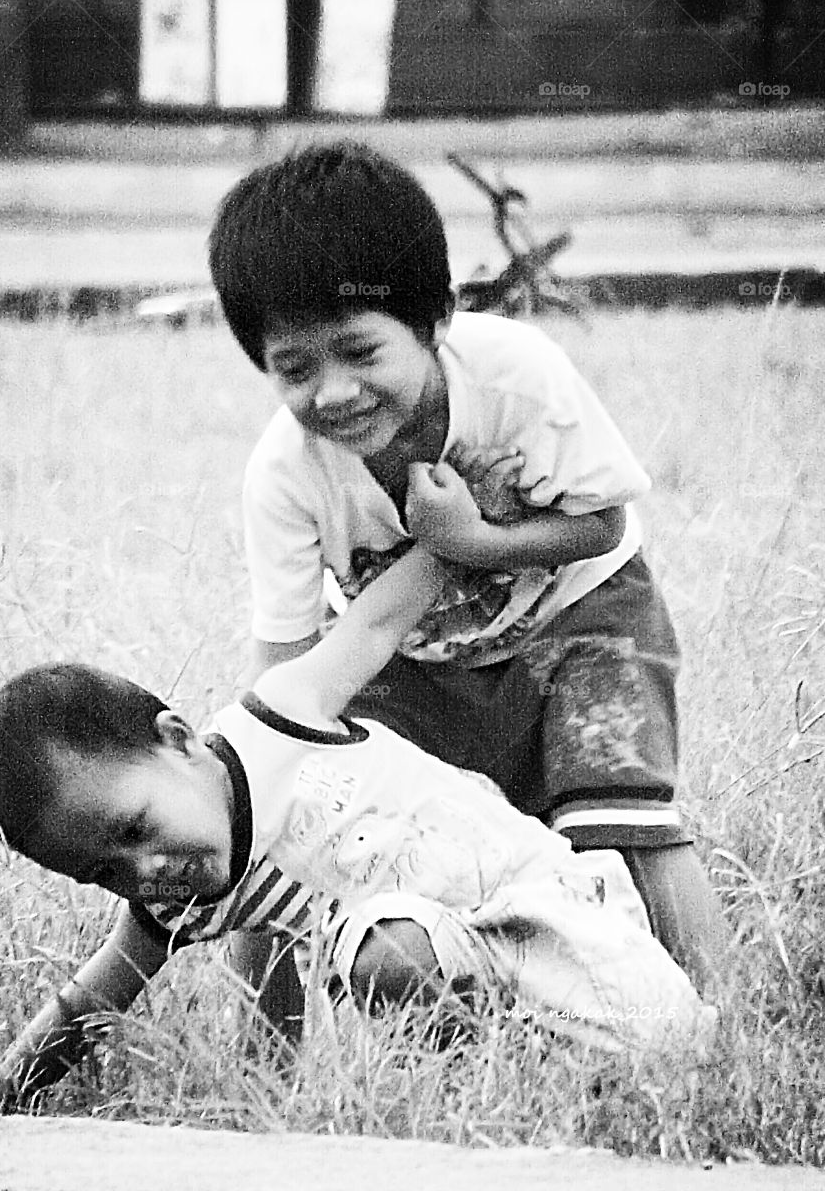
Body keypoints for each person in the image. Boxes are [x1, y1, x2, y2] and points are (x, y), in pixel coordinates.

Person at [208, 140, 728, 1037]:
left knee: (619, 817)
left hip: (580, 613)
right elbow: (287, 664)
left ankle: (729, 1021)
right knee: (307, 819)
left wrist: (472, 542)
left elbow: (603, 524)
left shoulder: (517, 375)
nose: (334, 392)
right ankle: (268, 1050)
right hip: (411, 659)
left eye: (359, 350)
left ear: (436, 318)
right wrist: (261, 777)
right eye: (295, 368)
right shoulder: (285, 476)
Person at [0, 488, 714, 1111]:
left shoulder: (280, 717)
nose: (146, 870)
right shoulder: (176, 907)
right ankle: (485, 1087)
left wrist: (459, 533)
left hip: (548, 903)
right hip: (446, 960)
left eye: (136, 828)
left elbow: (378, 620)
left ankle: (631, 1044)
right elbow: (86, 1005)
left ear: (179, 741)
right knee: (387, 952)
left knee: (675, 1053)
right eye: (105, 873)